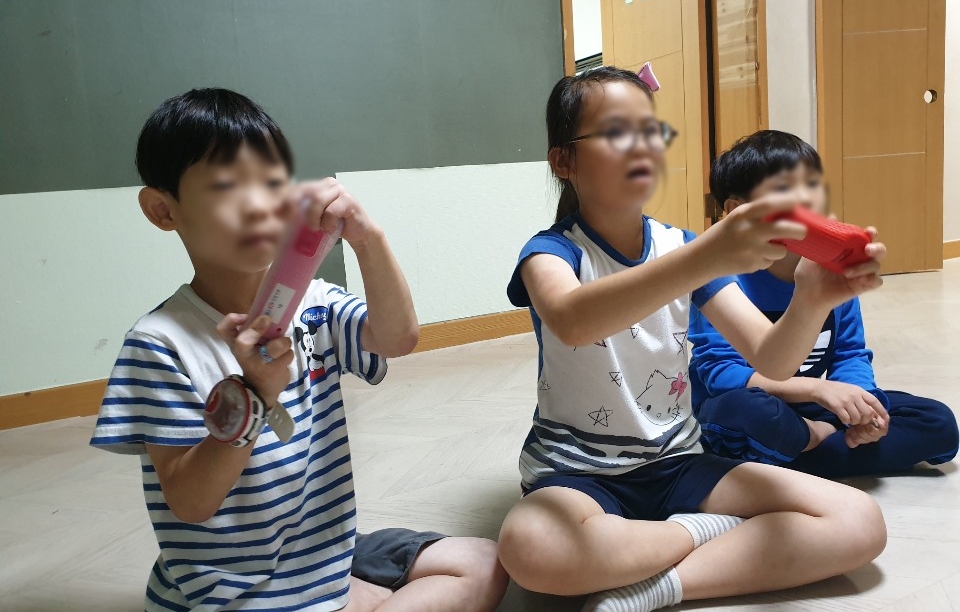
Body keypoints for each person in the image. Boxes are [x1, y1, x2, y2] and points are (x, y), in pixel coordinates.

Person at [90, 89, 507, 612]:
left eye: (273, 183)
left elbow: (397, 338)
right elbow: (191, 502)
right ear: (162, 209)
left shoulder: (315, 305)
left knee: (485, 562)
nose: (260, 206)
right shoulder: (159, 344)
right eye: (226, 187)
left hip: (322, 553)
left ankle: (348, 594)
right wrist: (254, 397)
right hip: (235, 589)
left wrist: (368, 239)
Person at [496, 67, 888, 612]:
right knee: (530, 550)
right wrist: (706, 255)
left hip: (679, 462)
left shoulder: (681, 247)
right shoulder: (551, 253)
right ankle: (707, 531)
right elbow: (573, 320)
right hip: (576, 472)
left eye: (651, 131)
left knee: (859, 520)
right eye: (617, 132)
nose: (643, 146)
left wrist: (811, 298)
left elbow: (771, 359)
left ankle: (656, 586)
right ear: (564, 161)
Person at [688, 129, 958, 477]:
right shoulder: (723, 278)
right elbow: (721, 375)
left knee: (937, 422)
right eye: (786, 190)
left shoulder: (830, 272)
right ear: (738, 211)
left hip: (813, 409)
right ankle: (815, 448)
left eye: (813, 186)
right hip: (753, 404)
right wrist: (818, 388)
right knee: (745, 412)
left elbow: (850, 355)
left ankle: (799, 451)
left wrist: (860, 407)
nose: (808, 201)